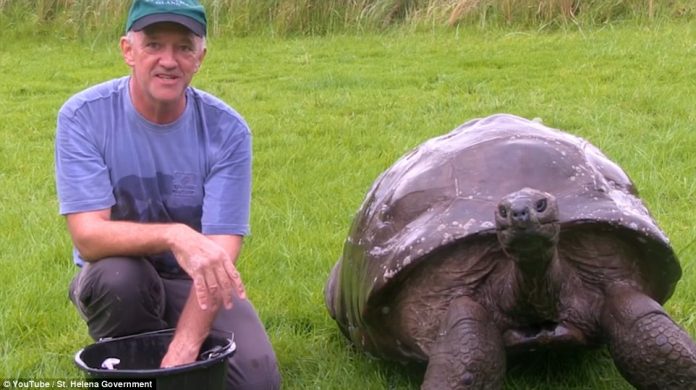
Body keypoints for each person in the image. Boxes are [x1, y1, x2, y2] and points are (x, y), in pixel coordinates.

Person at [54, 0, 281, 388]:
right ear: (128, 50)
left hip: (196, 280)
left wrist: (187, 342)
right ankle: (132, 359)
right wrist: (175, 234)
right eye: (154, 44)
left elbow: (220, 252)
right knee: (120, 280)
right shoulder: (83, 117)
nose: (169, 60)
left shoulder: (228, 131)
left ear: (201, 56)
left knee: (258, 381)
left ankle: (170, 343)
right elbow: (89, 237)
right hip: (119, 272)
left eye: (184, 47)